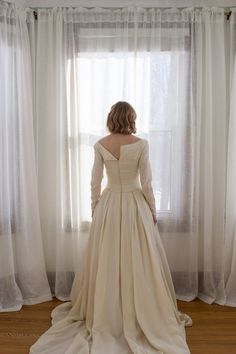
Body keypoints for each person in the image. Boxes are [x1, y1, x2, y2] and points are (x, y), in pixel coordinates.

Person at [30, 101, 192, 354]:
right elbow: (147, 183)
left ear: (111, 118)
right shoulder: (141, 144)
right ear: (131, 118)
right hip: (134, 204)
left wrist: (96, 208)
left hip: (109, 205)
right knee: (138, 257)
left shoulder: (100, 145)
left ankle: (107, 309)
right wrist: (152, 210)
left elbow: (94, 182)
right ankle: (138, 309)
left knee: (107, 257)